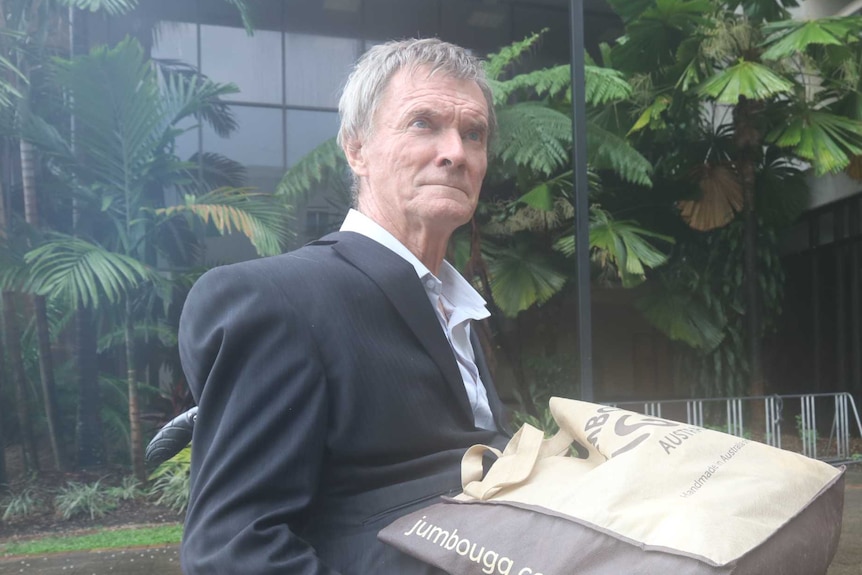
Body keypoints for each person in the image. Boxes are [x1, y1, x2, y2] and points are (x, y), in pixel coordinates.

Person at [178, 38, 511, 574]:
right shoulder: (279, 300)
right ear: (357, 149)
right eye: (423, 123)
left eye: (474, 133)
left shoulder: (458, 311)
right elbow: (234, 551)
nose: (457, 152)